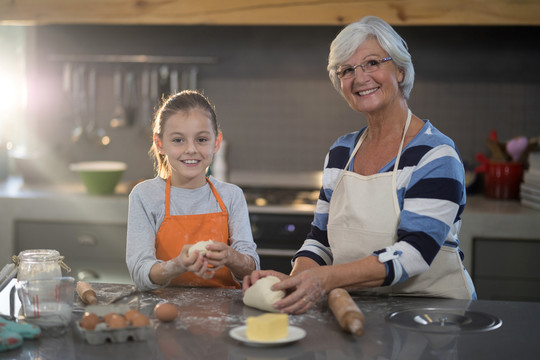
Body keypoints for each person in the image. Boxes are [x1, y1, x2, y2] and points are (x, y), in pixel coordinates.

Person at [243, 16, 476, 313]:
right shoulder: (341, 152)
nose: (360, 77)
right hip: (357, 308)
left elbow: (415, 252)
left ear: (401, 71)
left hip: (432, 318)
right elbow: (321, 239)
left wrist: (324, 280)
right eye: (347, 70)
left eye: (372, 63)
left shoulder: (435, 155)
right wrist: (294, 283)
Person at [127, 90, 259, 290]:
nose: (191, 149)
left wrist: (231, 257)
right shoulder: (145, 196)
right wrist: (177, 265)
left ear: (216, 142)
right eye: (178, 140)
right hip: (163, 310)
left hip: (225, 316)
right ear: (159, 143)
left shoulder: (231, 196)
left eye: (201, 139)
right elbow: (140, 273)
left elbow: (252, 270)